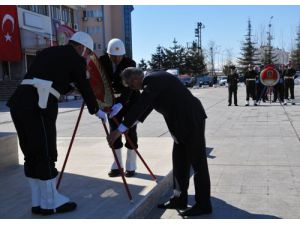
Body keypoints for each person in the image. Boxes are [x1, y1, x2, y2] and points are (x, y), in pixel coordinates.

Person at [7, 31, 106, 215]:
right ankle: (51, 202)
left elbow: (54, 78)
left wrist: (71, 86)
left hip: (19, 102)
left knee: (31, 153)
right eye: (88, 53)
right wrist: (96, 110)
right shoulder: (75, 58)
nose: (87, 57)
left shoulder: (48, 52)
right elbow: (84, 86)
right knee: (45, 152)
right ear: (81, 47)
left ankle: (38, 201)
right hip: (39, 105)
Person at [107, 67, 212, 217]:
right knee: (179, 162)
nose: (131, 88)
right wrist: (129, 125)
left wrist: (119, 130)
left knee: (198, 163)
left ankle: (204, 204)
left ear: (136, 79)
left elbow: (141, 104)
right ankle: (179, 198)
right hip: (180, 124)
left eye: (130, 85)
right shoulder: (151, 84)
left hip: (191, 121)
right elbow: (146, 108)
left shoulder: (153, 80)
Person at [98, 38, 140, 178]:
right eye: (113, 56)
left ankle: (131, 165)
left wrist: (121, 102)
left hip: (130, 100)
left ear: (123, 54)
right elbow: (99, 81)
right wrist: (101, 102)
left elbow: (130, 87)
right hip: (111, 101)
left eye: (119, 56)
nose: (116, 59)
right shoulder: (101, 61)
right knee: (114, 132)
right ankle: (117, 164)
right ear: (108, 54)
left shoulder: (130, 63)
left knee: (130, 131)